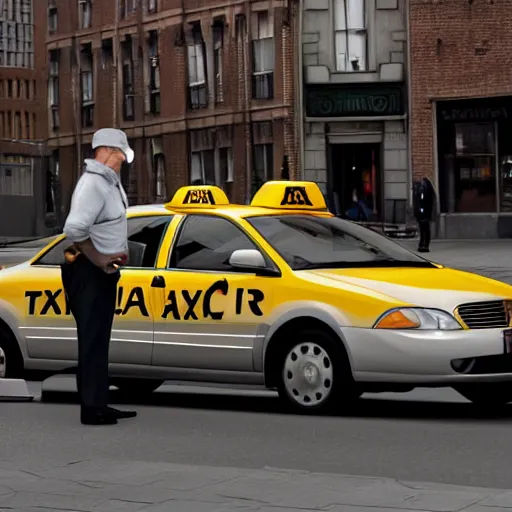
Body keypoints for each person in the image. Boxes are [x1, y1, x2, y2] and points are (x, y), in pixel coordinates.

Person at [61, 128, 137, 426]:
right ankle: (92, 408)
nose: (122, 160)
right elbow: (75, 229)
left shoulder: (108, 183)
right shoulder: (93, 184)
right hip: (88, 270)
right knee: (92, 339)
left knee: (98, 338)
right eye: (120, 154)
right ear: (105, 151)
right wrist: (99, 258)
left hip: (102, 271)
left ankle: (99, 401)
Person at [412, 177, 436, 253]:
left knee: (424, 228)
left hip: (424, 212)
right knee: (423, 229)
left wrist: (422, 211)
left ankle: (424, 244)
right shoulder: (419, 187)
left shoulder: (423, 187)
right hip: (423, 212)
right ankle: (423, 243)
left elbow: (422, 200)